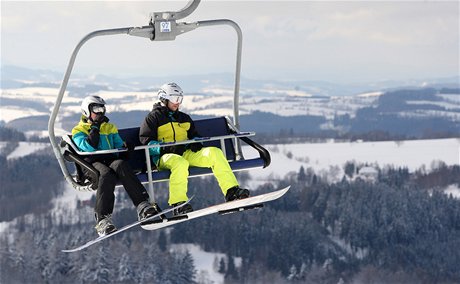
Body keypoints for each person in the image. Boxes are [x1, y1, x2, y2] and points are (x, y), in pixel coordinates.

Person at [139, 82, 250, 216]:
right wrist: (164, 148)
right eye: (175, 99)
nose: (177, 103)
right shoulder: (153, 118)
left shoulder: (184, 118)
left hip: (185, 153)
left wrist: (196, 142)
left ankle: (231, 191)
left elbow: (194, 135)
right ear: (164, 99)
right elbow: (147, 143)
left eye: (180, 99)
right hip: (164, 158)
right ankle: (178, 204)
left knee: (214, 152)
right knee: (180, 163)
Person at [72, 95, 161, 236]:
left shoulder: (110, 127)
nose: (100, 112)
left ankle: (143, 206)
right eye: (96, 109)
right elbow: (89, 147)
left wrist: (126, 148)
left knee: (121, 165)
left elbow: (118, 146)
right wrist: (95, 128)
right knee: (106, 174)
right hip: (92, 163)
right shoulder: (78, 130)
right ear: (86, 111)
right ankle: (103, 220)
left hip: (110, 159)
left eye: (102, 108)